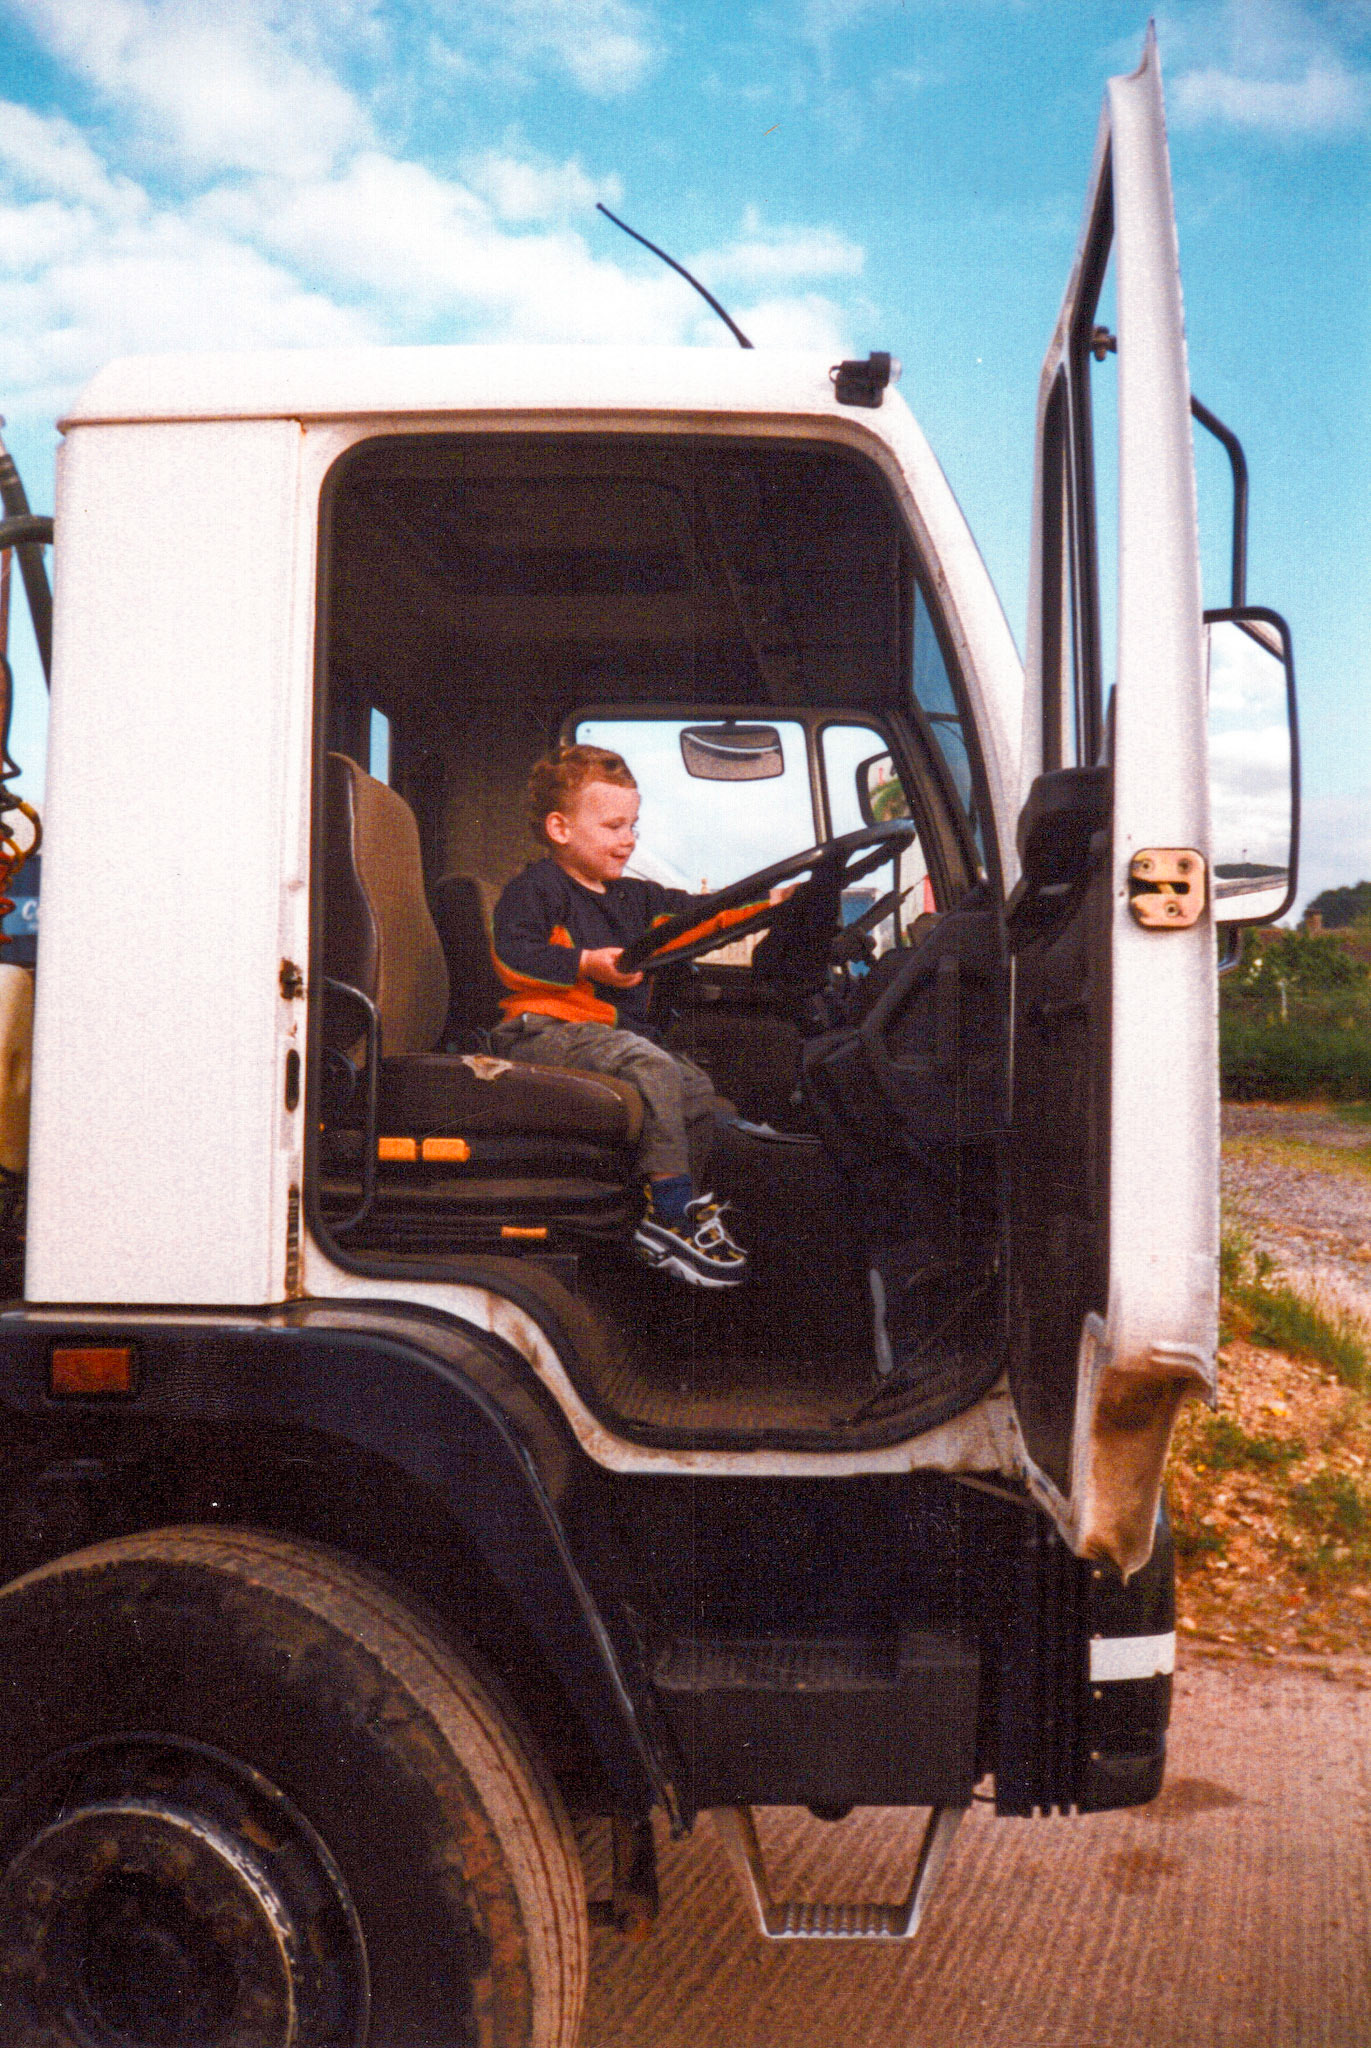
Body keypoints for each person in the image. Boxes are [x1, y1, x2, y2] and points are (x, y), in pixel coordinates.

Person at [490, 744, 770, 1287]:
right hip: (539, 1032)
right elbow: (511, 957)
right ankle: (668, 1213)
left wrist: (775, 899)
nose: (629, 839)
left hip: (599, 1036)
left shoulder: (635, 899)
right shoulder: (535, 890)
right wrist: (586, 963)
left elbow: (701, 915)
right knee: (651, 1065)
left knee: (695, 1088)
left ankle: (686, 1205)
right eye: (614, 825)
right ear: (560, 828)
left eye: (633, 825)